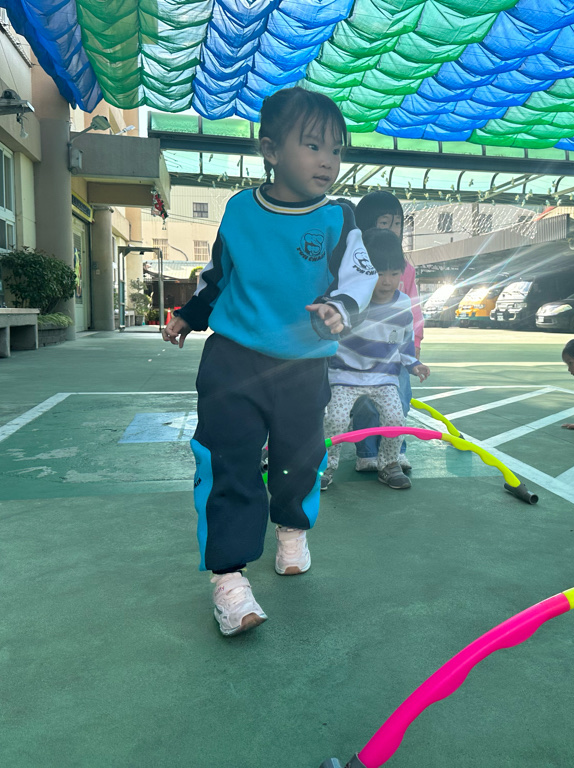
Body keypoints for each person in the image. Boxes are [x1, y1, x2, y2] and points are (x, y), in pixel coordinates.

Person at [160, 87, 378, 637]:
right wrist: (189, 314)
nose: (328, 161)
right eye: (313, 146)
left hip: (304, 367)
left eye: (336, 150)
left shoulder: (339, 217)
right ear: (271, 150)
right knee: (227, 461)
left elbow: (359, 275)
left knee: (298, 458)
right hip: (233, 361)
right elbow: (219, 275)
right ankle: (228, 579)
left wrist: (339, 307)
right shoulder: (240, 209)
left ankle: (291, 529)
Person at [322, 228, 430, 491]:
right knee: (335, 421)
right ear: (366, 271)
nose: (387, 281)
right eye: (380, 273)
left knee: (395, 419)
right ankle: (325, 467)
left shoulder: (402, 304)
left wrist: (414, 364)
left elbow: (404, 342)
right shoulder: (351, 301)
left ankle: (389, 464)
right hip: (345, 375)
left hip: (383, 377)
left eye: (394, 274)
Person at [348, 190, 424, 474]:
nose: (393, 230)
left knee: (399, 398)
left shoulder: (405, 268)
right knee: (365, 402)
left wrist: (415, 342)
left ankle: (396, 451)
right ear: (366, 224)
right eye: (384, 223)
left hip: (395, 349)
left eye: (397, 223)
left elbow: (413, 308)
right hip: (361, 351)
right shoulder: (353, 264)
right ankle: (367, 452)